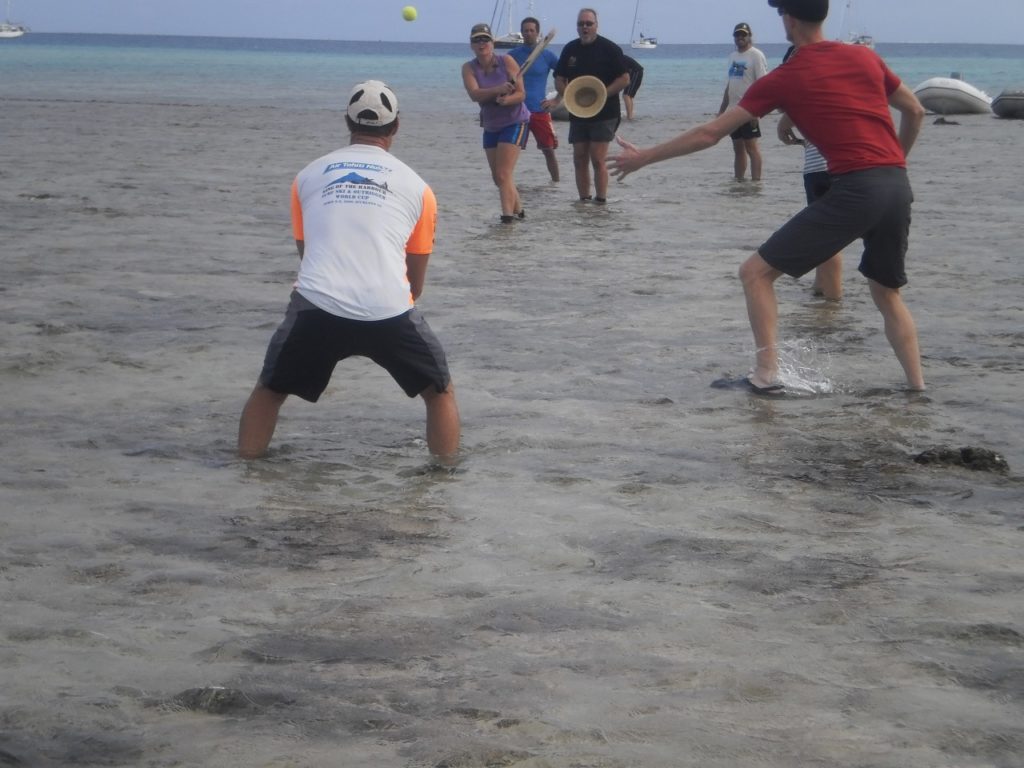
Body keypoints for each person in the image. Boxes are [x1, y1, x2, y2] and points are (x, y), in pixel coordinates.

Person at [608, 0, 926, 394]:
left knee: (755, 273)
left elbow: (711, 133)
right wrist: (895, 165)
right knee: (886, 292)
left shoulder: (786, 77)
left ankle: (766, 376)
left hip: (857, 188)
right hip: (896, 184)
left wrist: (645, 158)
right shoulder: (865, 57)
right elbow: (914, 111)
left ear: (788, 20)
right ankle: (917, 389)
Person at [237, 80, 461, 459]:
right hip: (388, 307)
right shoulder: (419, 187)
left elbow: (309, 255)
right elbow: (415, 280)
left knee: (270, 389)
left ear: (347, 122)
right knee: (439, 392)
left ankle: (243, 473)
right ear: (396, 127)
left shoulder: (307, 176)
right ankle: (445, 481)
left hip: (318, 303)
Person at [544, 8, 630, 203]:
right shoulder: (570, 49)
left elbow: (624, 79)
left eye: (588, 24)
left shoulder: (609, 49)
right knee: (579, 157)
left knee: (597, 159)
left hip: (605, 111)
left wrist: (601, 94)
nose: (584, 27)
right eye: (581, 24)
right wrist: (567, 95)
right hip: (578, 110)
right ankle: (583, 202)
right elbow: (559, 78)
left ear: (596, 25)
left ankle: (600, 202)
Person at [779, 44, 841, 300]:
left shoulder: (806, 90)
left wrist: (792, 137)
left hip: (818, 170)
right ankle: (820, 284)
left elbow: (783, 126)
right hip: (833, 168)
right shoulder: (834, 86)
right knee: (826, 230)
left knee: (826, 235)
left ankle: (833, 300)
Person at [462, 22, 530, 223]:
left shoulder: (506, 62)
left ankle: (507, 220)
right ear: (472, 45)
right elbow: (475, 94)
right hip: (491, 125)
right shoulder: (468, 68)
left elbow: (521, 94)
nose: (481, 43)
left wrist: (506, 99)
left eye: (485, 39)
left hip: (515, 121)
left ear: (492, 42)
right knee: (498, 178)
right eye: (477, 40)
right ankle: (521, 213)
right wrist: (497, 90)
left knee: (503, 173)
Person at [509, 16, 561, 182]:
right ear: (522, 33)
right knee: (511, 151)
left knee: (549, 150)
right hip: (518, 111)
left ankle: (556, 186)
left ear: (538, 33)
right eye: (526, 30)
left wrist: (557, 100)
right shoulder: (512, 56)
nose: (529, 33)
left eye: (532, 30)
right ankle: (508, 186)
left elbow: (564, 77)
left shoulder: (547, 56)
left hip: (539, 110)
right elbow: (500, 79)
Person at [718, 22, 768, 181]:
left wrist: (757, 112)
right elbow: (730, 85)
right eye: (737, 35)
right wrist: (721, 111)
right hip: (733, 111)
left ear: (749, 36)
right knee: (737, 148)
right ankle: (738, 182)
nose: (740, 38)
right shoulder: (732, 56)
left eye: (743, 35)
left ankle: (756, 183)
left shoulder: (756, 55)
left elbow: (763, 85)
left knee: (751, 148)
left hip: (749, 111)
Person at [622, 54, 644, 120]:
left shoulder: (615, 58)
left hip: (635, 71)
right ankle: (630, 116)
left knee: (626, 95)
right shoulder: (616, 57)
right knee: (629, 96)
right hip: (635, 71)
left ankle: (630, 117)